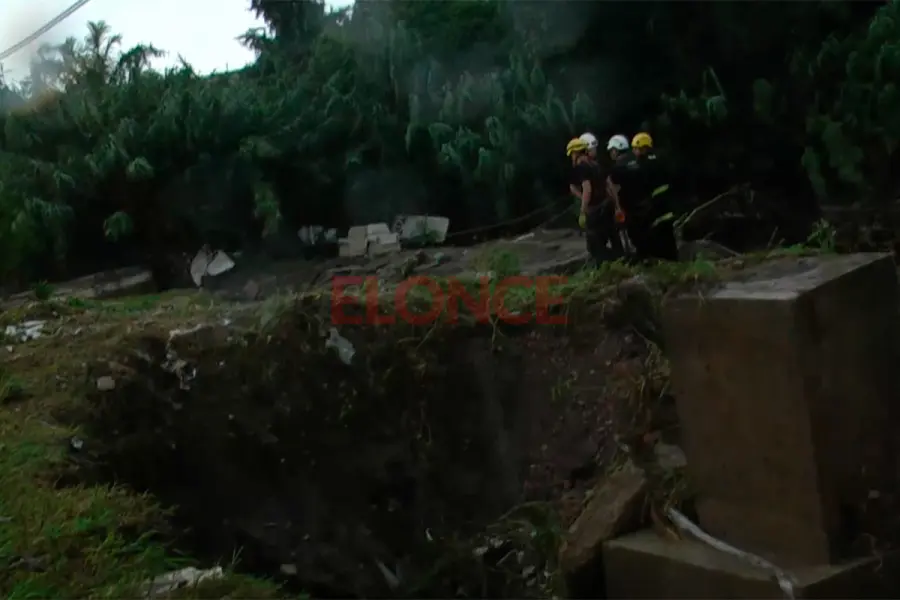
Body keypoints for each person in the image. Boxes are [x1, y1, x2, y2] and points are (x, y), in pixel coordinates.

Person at [608, 132, 678, 262]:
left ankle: (659, 261)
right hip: (665, 204)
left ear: (643, 148)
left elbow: (620, 186)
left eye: (636, 149)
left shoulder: (642, 164)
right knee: (667, 235)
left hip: (652, 206)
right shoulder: (659, 158)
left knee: (654, 236)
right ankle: (673, 261)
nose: (634, 151)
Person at [566, 137, 623, 264]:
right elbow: (609, 186)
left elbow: (588, 189)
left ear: (575, 153)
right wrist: (617, 207)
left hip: (595, 211)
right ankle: (622, 261)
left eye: (571, 155)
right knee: (613, 237)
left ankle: (610, 266)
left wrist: (582, 210)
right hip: (607, 206)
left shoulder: (581, 167)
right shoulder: (596, 164)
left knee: (594, 246)